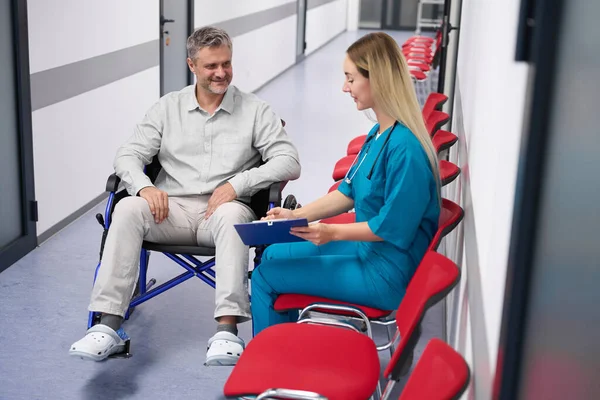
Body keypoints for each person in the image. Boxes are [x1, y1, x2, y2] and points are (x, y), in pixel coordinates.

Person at [69, 26, 301, 365]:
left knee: (233, 217)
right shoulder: (167, 109)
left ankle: (227, 331)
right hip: (170, 212)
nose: (221, 73)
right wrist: (145, 187)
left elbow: (288, 160)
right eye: (211, 66)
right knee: (130, 208)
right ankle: (108, 326)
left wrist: (239, 184)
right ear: (192, 65)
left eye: (226, 63)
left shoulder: (255, 111)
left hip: (223, 214)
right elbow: (127, 155)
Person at [250, 32, 440, 335]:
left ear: (376, 78)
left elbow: (391, 228)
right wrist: (296, 216)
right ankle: (287, 351)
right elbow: (347, 191)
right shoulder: (380, 132)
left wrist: (330, 232)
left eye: (351, 79)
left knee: (265, 277)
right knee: (272, 253)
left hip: (386, 273)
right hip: (367, 252)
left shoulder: (406, 149)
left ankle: (268, 370)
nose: (344, 87)